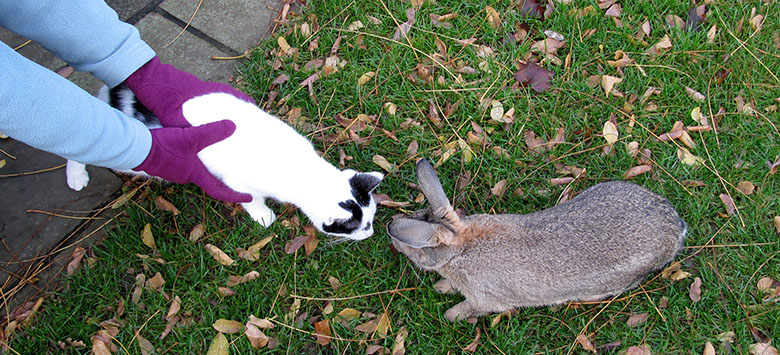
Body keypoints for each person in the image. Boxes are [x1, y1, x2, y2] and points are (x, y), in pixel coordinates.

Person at [0, 0, 253, 203]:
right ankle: (77, 160)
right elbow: (21, 100)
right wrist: (146, 153)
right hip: (125, 114)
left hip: (138, 104)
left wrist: (136, 66)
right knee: (92, 128)